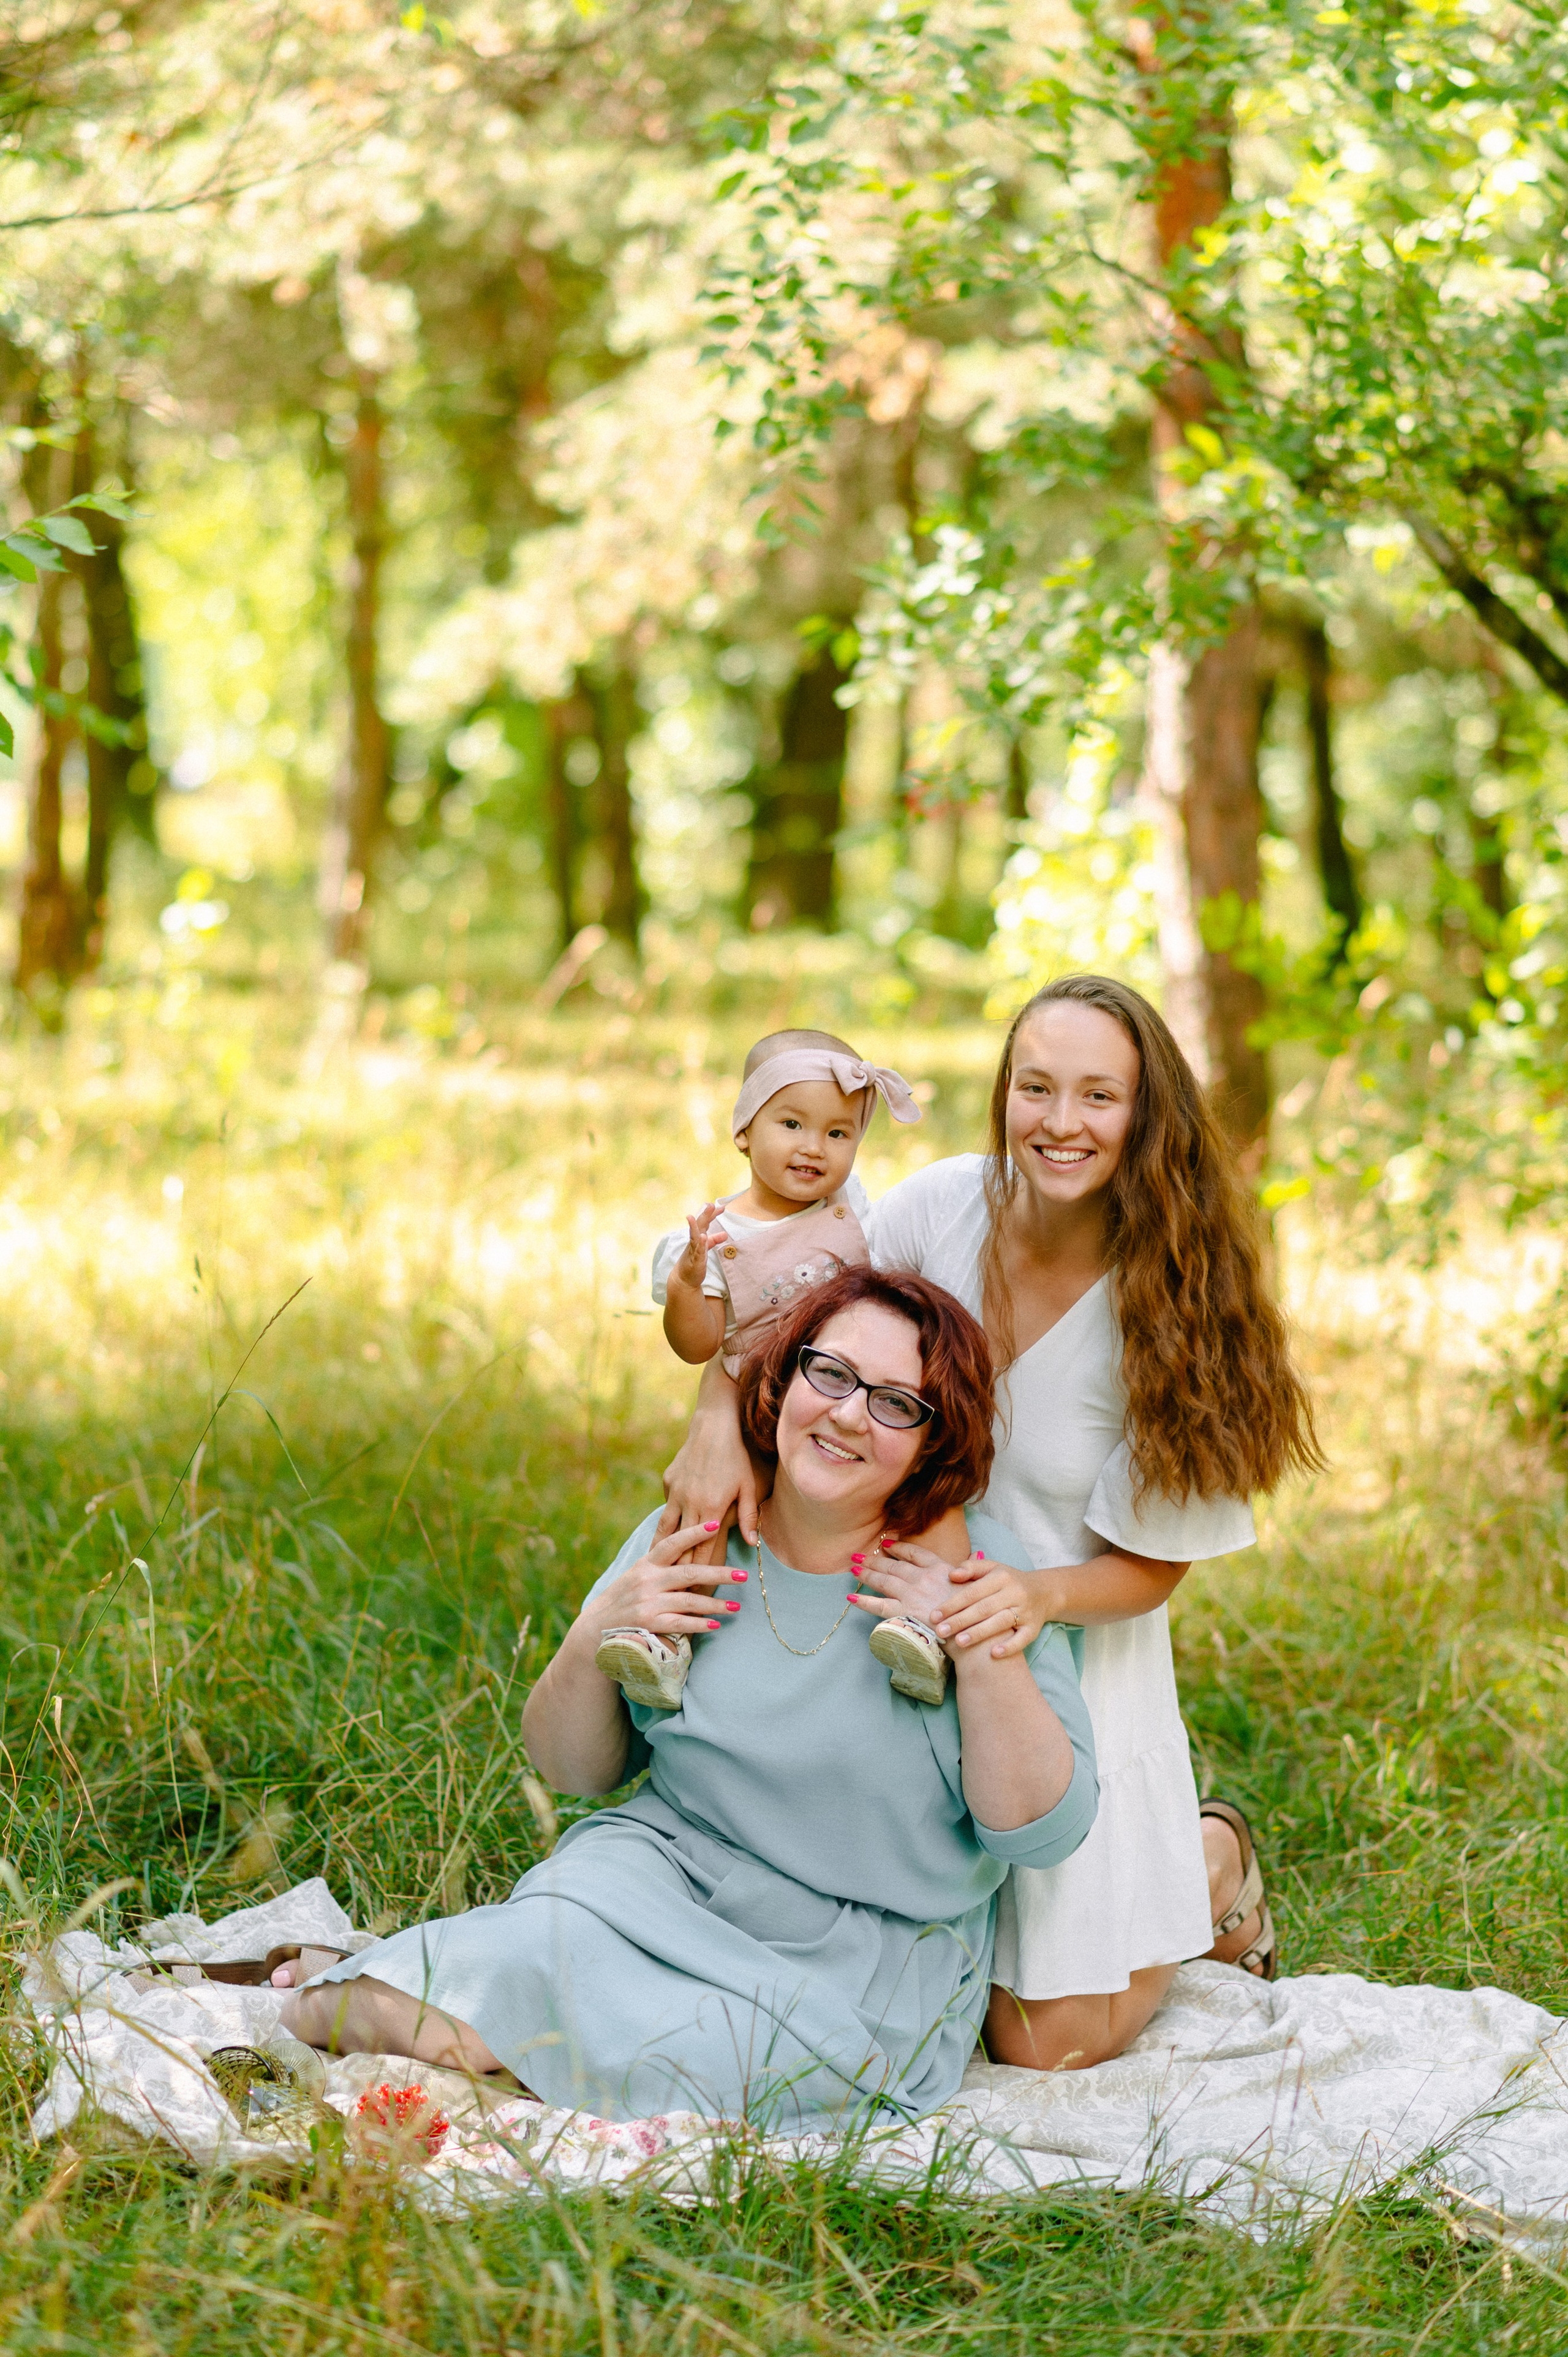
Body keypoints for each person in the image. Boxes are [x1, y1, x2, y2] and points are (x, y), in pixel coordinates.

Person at [663, 974, 1321, 2073]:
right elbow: (802, 1338)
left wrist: (1033, 1596)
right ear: (1004, 1094)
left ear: (1145, 1113)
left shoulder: (1178, 1295)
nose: (1061, 1122)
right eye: (1036, 1087)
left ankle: (1207, 1864)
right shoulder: (937, 1210)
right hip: (892, 1627)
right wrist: (720, 1415)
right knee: (857, 1977)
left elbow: (1152, 1567)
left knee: (1035, 2040)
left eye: (1099, 1096)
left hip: (1067, 1641)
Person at [277, 1267, 1098, 2129]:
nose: (851, 1413)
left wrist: (977, 1649)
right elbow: (573, 1768)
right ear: (784, 1381)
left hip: (854, 1961)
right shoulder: (699, 1535)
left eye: (898, 1404)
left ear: (935, 1442)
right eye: (834, 1374)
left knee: (647, 2057)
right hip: (655, 1880)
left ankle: (508, 2050)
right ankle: (411, 2000)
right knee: (393, 2005)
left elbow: (1041, 1832)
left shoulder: (979, 1574)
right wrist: (598, 1629)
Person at [600, 1028, 923, 1713]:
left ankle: (924, 1618)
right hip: (762, 1410)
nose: (814, 1146)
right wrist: (689, 1282)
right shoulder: (719, 1237)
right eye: (792, 1122)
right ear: (744, 1129)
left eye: (839, 1133)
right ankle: (664, 1640)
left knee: (920, 1495)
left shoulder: (852, 1207)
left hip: (848, 1401)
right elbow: (697, 1345)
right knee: (708, 1513)